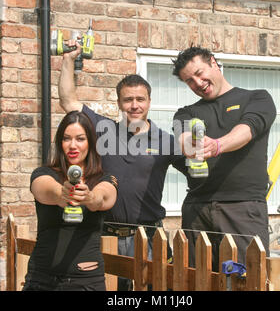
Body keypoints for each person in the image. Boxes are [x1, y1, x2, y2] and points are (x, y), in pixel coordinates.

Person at [58, 42, 185, 290]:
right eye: (128, 100)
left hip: (148, 237)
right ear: (119, 103)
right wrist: (68, 60)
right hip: (104, 236)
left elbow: (199, 172)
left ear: (149, 101)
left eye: (140, 99)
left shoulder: (168, 142)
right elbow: (68, 102)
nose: (134, 105)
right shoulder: (103, 130)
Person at [172, 46, 276, 271]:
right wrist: (191, 144)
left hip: (243, 207)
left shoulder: (257, 98)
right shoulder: (185, 112)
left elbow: (248, 129)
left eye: (199, 73)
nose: (197, 83)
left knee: (246, 280)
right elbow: (183, 136)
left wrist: (217, 145)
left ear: (213, 62)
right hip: (197, 209)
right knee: (193, 282)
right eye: (189, 81)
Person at [23, 111, 118, 291]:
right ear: (60, 142)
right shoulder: (44, 174)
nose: (72, 145)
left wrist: (89, 197)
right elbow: (44, 189)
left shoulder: (105, 178)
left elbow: (105, 196)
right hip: (41, 278)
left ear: (90, 142)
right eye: (67, 139)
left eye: (80, 139)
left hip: (85, 280)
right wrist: (62, 193)